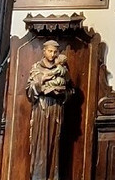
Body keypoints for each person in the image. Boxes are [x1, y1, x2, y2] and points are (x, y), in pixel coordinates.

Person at [26, 41, 73, 180]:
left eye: (55, 52)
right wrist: (42, 80)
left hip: (56, 109)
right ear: (44, 51)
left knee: (54, 143)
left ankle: (53, 176)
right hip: (42, 109)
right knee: (40, 143)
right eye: (50, 51)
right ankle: (38, 176)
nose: (52, 54)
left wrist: (62, 93)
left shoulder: (63, 70)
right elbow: (29, 91)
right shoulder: (37, 68)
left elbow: (71, 90)